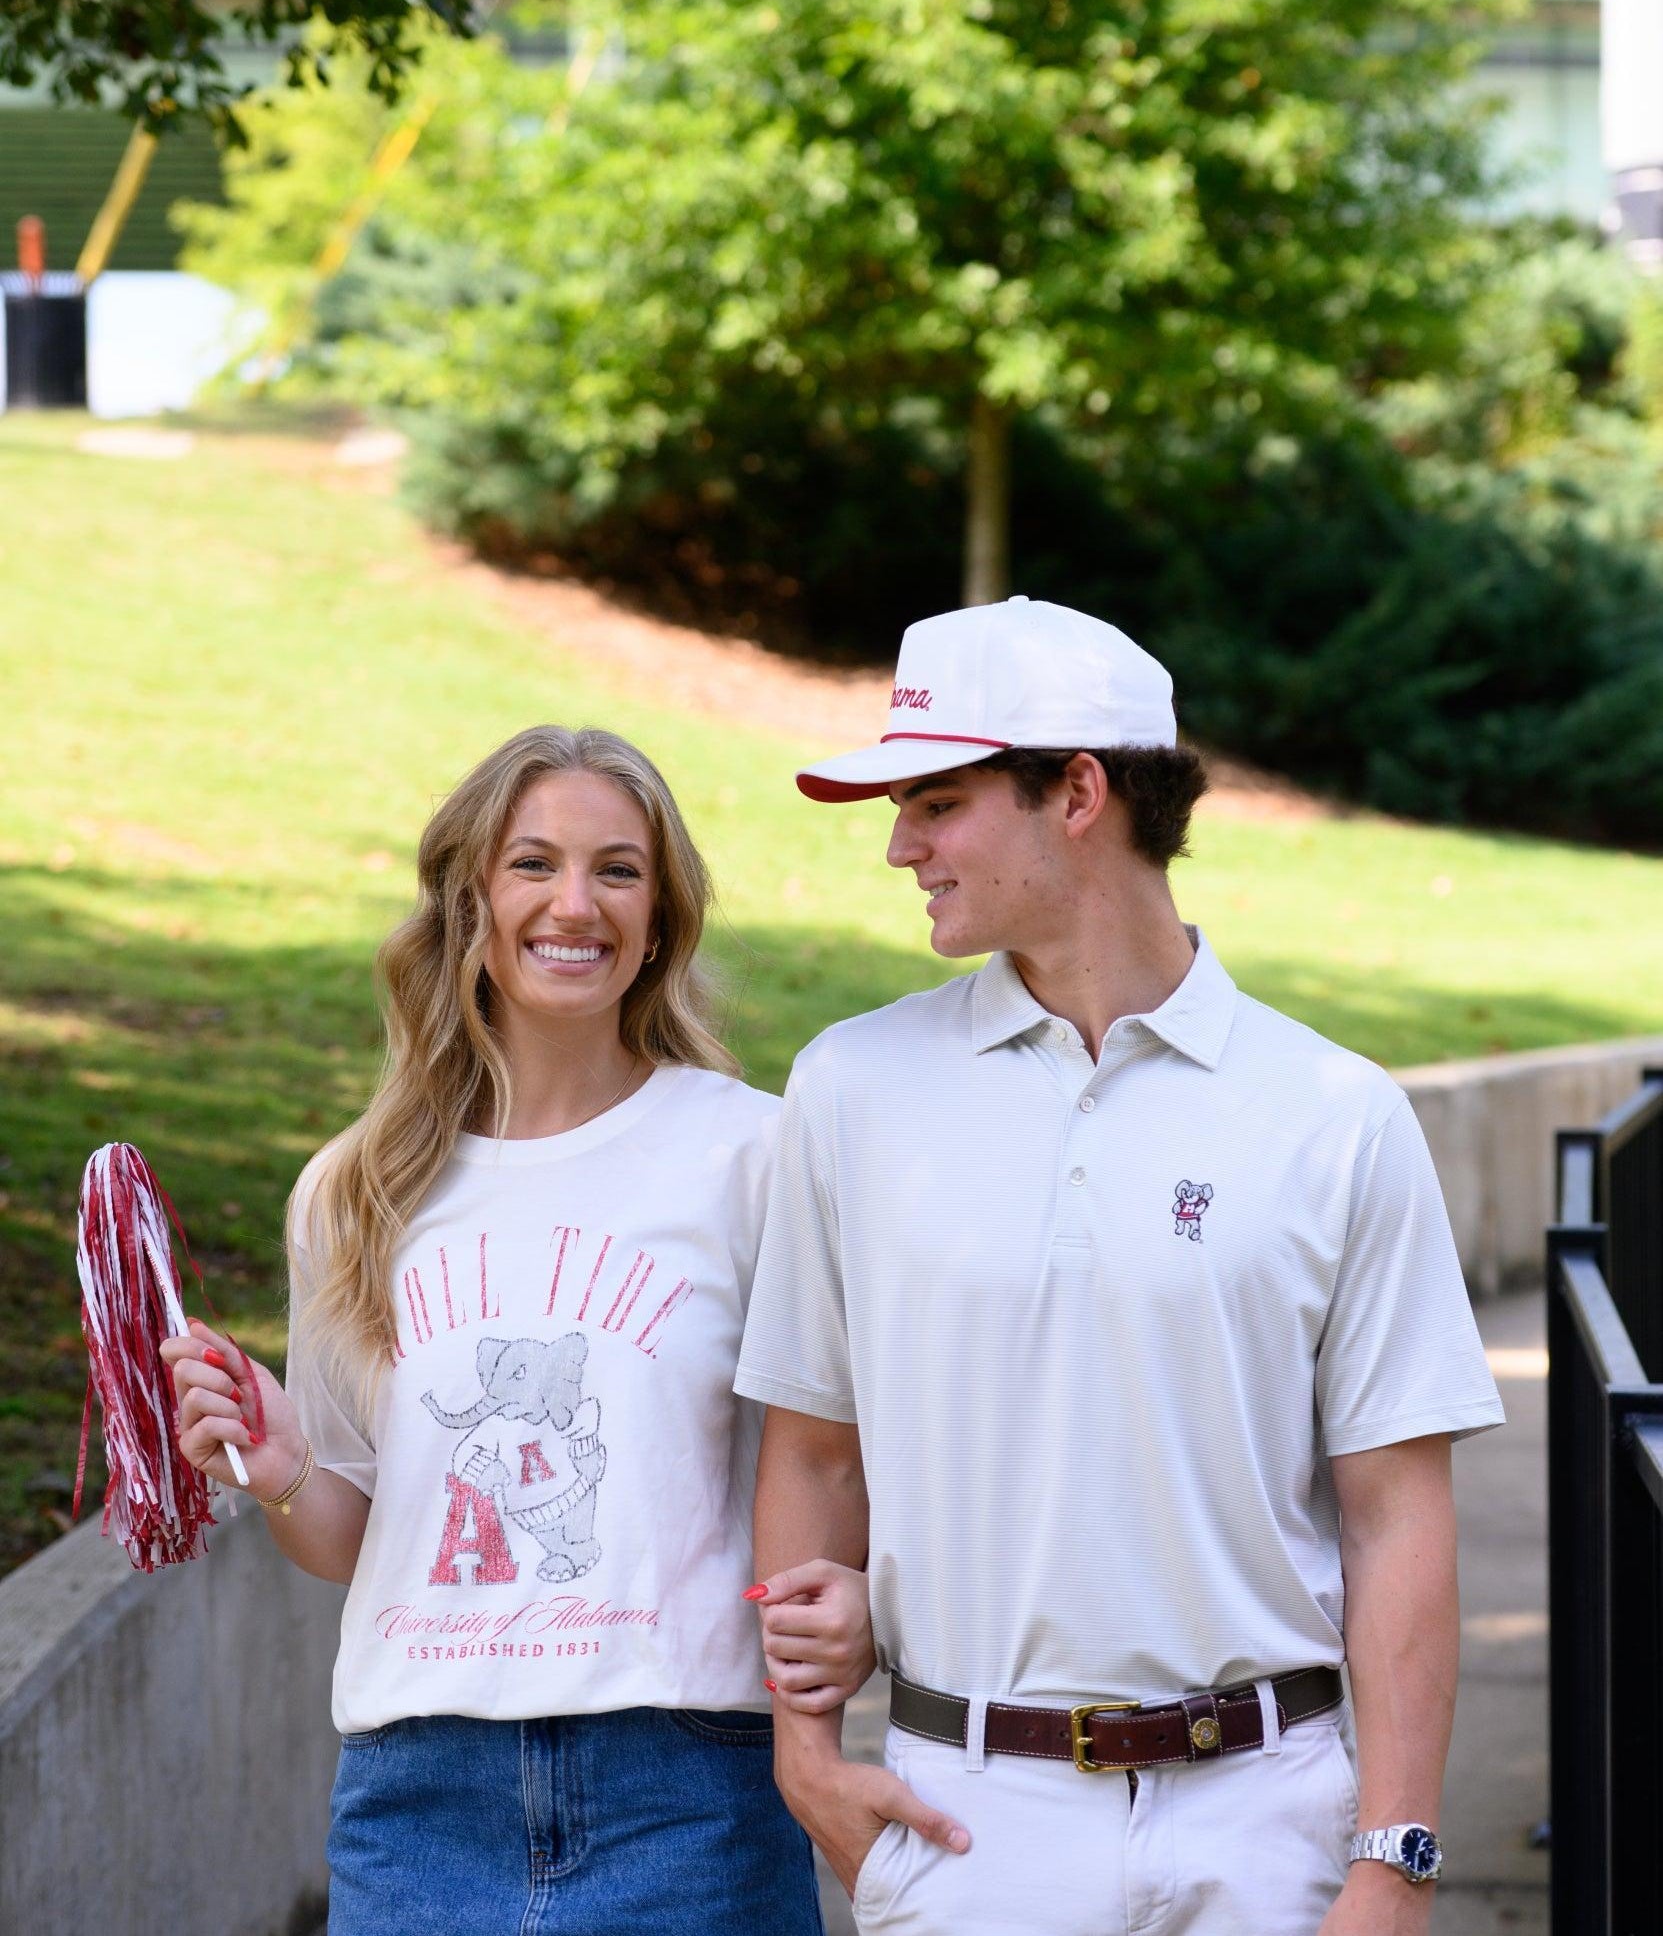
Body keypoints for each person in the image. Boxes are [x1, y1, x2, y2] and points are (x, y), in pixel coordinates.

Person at [736, 598, 1506, 1935]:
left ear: (1076, 791)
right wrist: (805, 1759)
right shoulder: (849, 1088)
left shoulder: (1331, 1111)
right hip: (968, 1826)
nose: (895, 845)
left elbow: (1394, 1514)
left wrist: (1391, 1858)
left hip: (1269, 1827)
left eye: (935, 801)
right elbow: (812, 1453)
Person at [163, 724, 829, 1936]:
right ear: (471, 894)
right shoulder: (354, 1189)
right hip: (416, 1800)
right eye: (534, 863)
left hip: (685, 1786)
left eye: (617, 869)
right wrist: (278, 1468)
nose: (575, 902)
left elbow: (826, 1462)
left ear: (662, 911)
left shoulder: (757, 1155)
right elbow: (350, 1539)